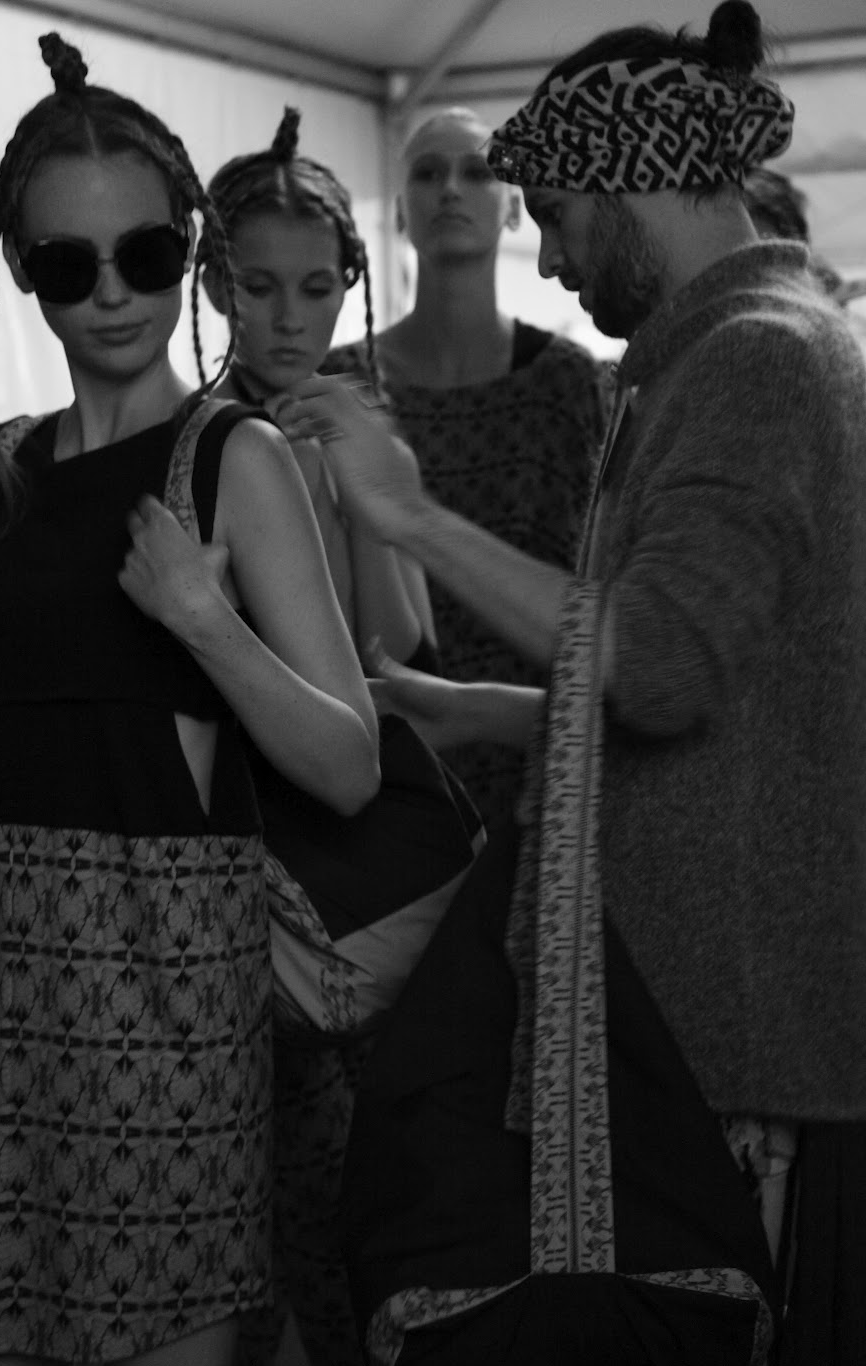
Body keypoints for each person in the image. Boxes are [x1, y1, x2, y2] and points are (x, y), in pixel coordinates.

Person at [278, 3, 866, 1366]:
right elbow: (716, 693)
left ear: (628, 184)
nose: (542, 256)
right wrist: (472, 707)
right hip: (694, 1006)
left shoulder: (752, 364)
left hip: (717, 1023)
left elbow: (659, 667)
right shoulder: (725, 357)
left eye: (551, 212)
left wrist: (404, 515)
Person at [0, 34, 379, 1366]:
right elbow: (26, 734)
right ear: (19, 271)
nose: (111, 292)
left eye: (146, 255)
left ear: (187, 253)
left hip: (167, 998)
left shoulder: (237, 461)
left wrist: (205, 623)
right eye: (67, 262)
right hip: (8, 993)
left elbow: (345, 760)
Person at [195, 109, 504, 1366]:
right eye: (259, 287)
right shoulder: (190, 443)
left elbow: (399, 650)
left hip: (338, 889)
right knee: (279, 1240)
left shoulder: (333, 431)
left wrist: (369, 491)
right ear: (212, 284)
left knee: (308, 1232)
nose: (288, 317)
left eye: (314, 287)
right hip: (213, 880)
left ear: (346, 288)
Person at [324, 105, 607, 834]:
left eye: (476, 172)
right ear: (398, 210)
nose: (450, 189)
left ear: (514, 208)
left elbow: (597, 573)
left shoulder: (569, 382)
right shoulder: (340, 385)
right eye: (427, 173)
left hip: (541, 749)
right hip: (389, 751)